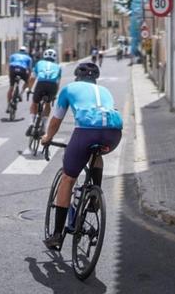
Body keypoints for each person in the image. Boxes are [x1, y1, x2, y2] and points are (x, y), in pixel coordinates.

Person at [40, 62, 123, 250]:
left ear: (77, 76)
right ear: (95, 79)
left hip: (86, 132)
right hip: (113, 133)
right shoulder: (105, 91)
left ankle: (57, 235)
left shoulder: (69, 88)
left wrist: (47, 137)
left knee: (68, 178)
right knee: (97, 152)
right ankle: (94, 194)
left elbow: (56, 120)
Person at [25, 49, 62, 136]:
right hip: (52, 86)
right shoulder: (58, 67)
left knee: (34, 103)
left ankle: (31, 123)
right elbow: (58, 82)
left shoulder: (39, 63)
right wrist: (55, 95)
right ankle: (44, 126)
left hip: (41, 84)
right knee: (48, 104)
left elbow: (32, 78)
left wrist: (29, 89)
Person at [6, 46, 33, 110]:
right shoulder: (28, 58)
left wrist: (9, 76)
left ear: (19, 50)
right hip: (22, 70)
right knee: (27, 82)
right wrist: (28, 78)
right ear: (25, 51)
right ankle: (21, 93)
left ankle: (8, 105)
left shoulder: (13, 55)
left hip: (13, 69)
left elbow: (9, 65)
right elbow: (29, 69)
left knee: (11, 87)